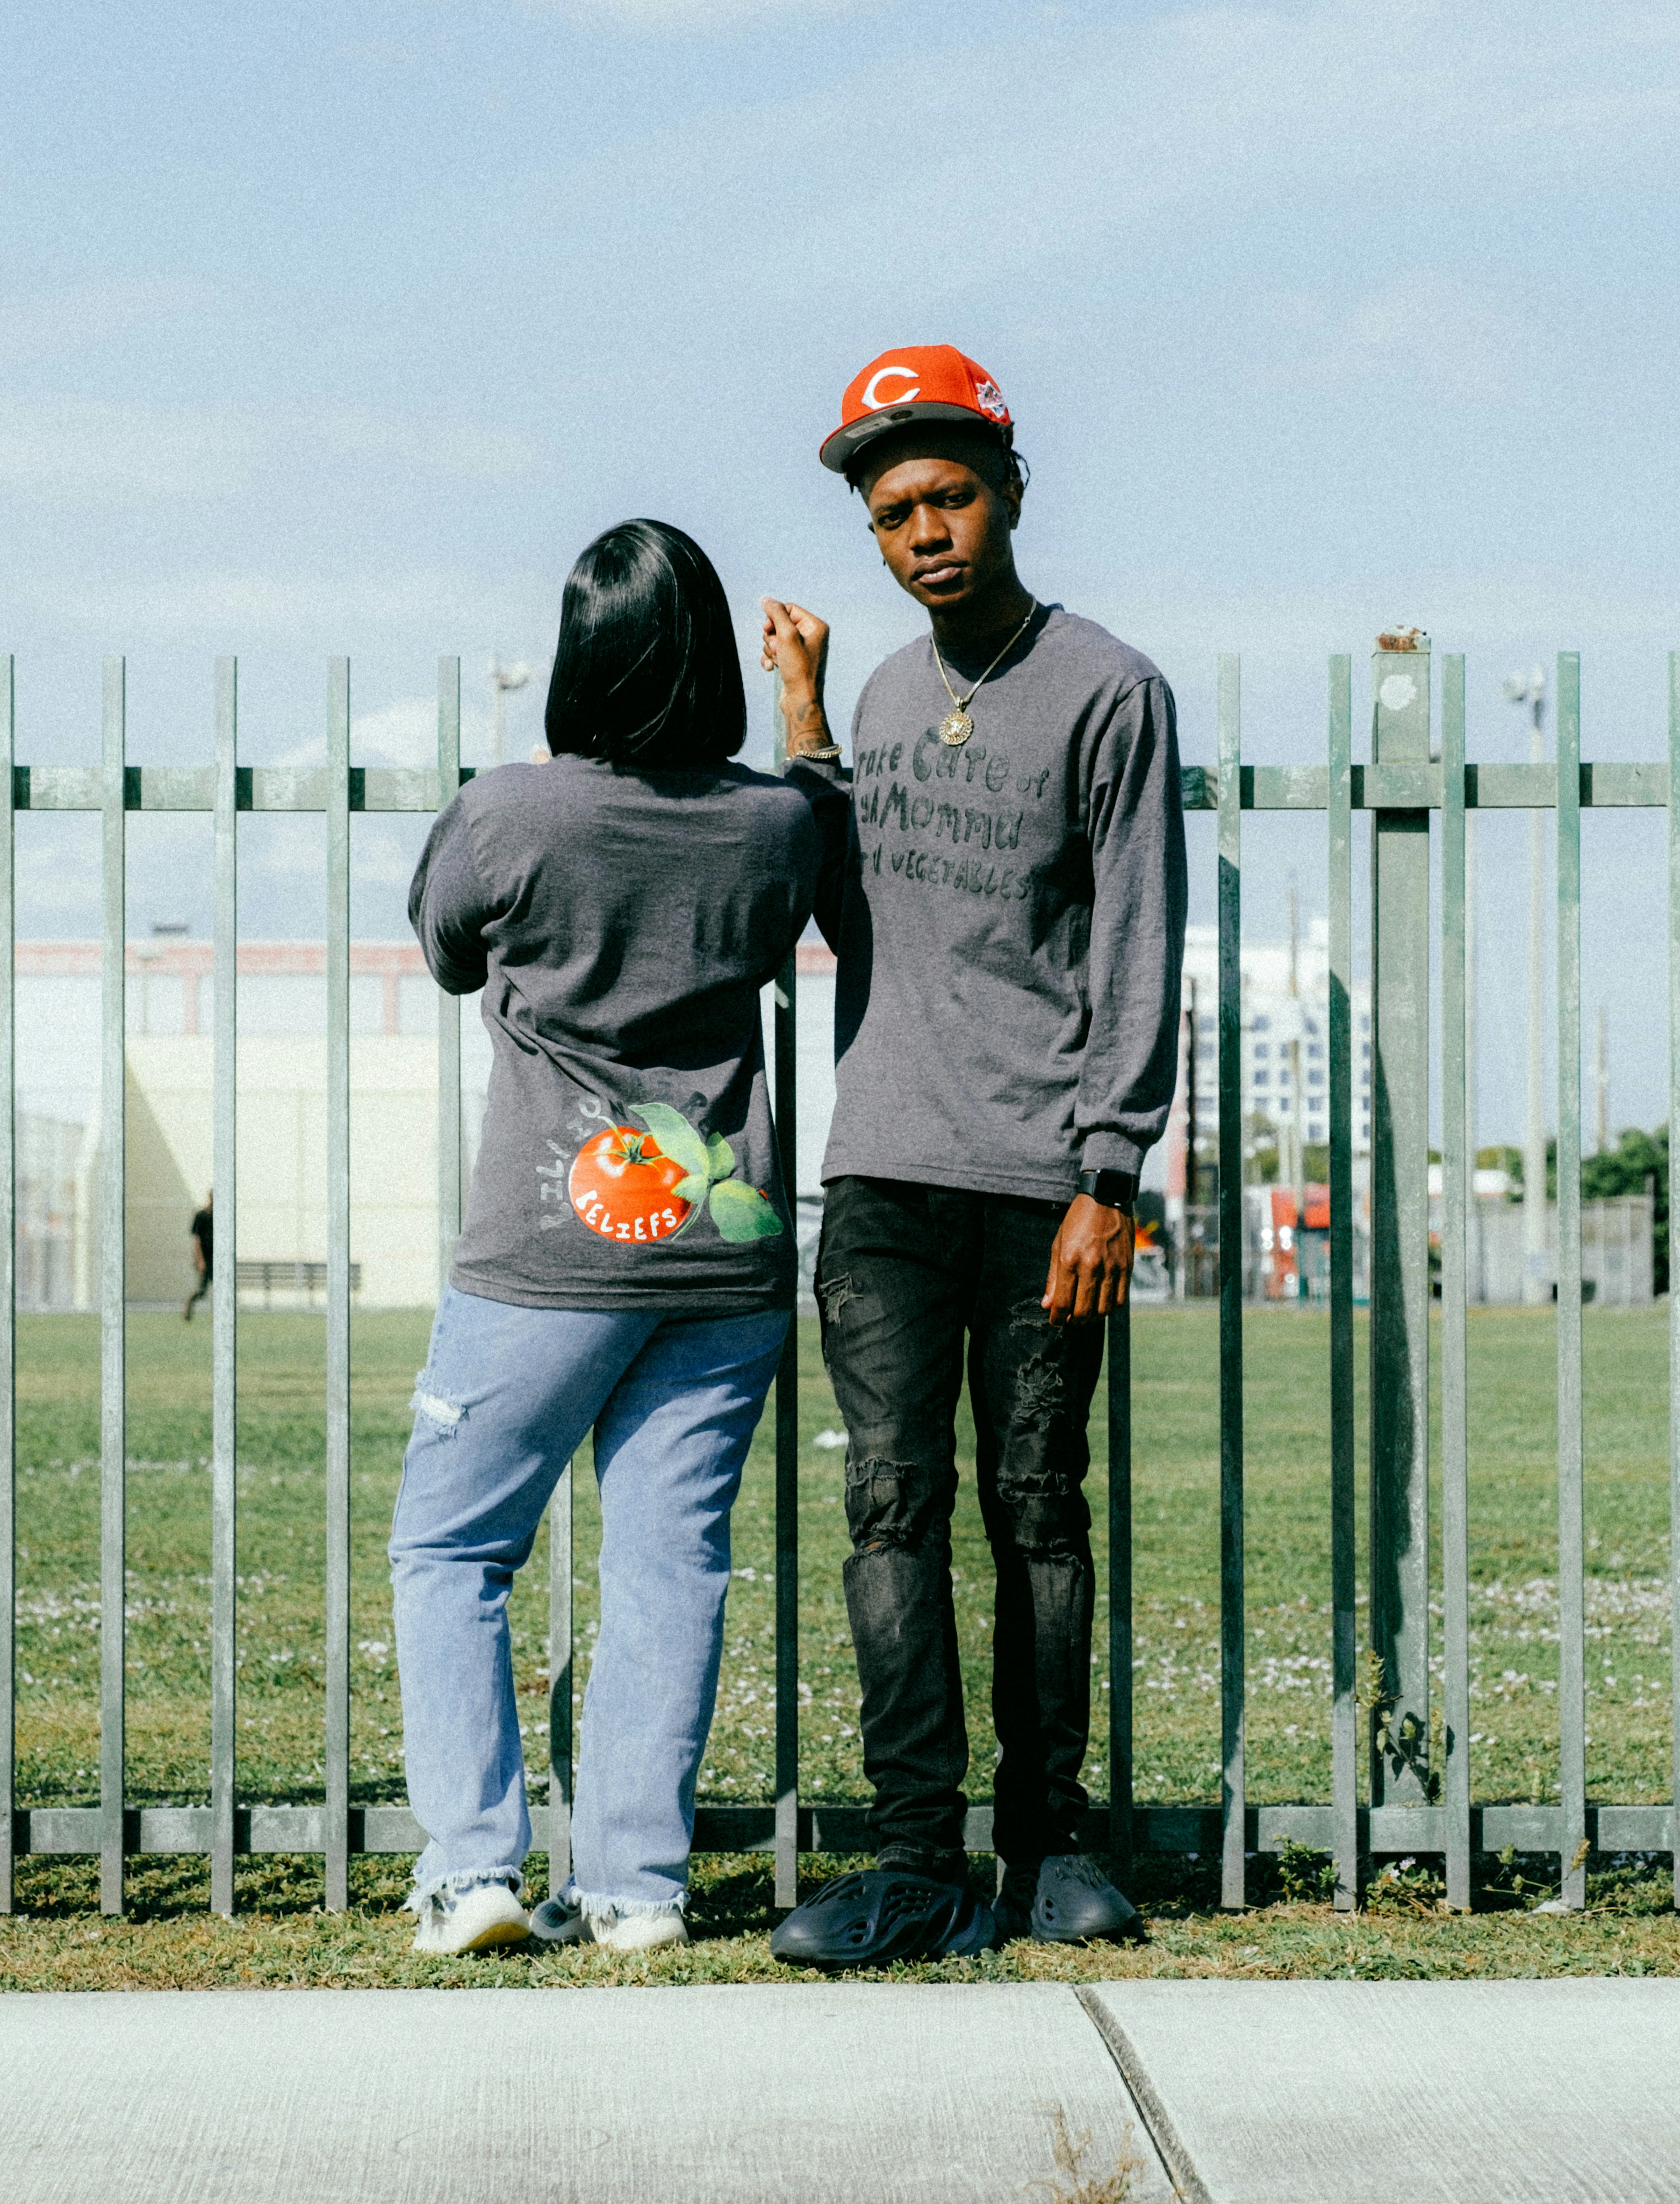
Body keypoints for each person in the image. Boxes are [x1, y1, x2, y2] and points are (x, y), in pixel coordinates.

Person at [759, 345, 1187, 1966]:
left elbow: (1140, 935)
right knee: (888, 1510)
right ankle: (918, 1865)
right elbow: (843, 912)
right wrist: (799, 714)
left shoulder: (1106, 688)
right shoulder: (876, 695)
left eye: (946, 498)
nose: (921, 532)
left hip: (1042, 1183)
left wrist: (1109, 1170)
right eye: (891, 513)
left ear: (1007, 491)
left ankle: (1049, 1845)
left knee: (1038, 1510)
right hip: (883, 1172)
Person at [391, 517, 834, 1956]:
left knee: (451, 1550)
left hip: (547, 1247)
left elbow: (449, 944)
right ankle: (636, 1886)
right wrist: (804, 708)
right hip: (724, 1247)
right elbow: (818, 828)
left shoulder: (508, 812)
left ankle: (473, 1870)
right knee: (667, 1562)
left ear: (578, 658)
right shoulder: (769, 823)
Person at [185, 1193, 212, 1322]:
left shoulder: (220, 1216)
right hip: (205, 1259)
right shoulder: (201, 1216)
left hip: (216, 1259)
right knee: (202, 1290)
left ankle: (217, 1315)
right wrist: (200, 1260)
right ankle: (190, 1304)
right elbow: (197, 1240)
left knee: (221, 1288)